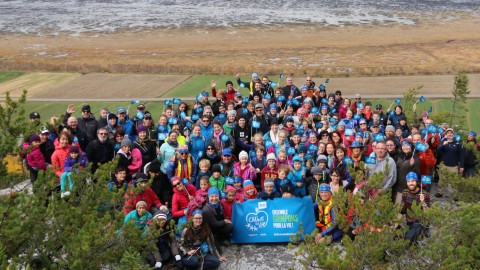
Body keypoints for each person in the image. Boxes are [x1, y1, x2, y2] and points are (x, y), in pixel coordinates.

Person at [400, 172, 430, 245]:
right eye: (409, 181)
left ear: (417, 182)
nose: (411, 183)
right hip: (409, 220)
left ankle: (422, 233)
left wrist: (423, 202)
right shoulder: (405, 192)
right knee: (398, 236)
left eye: (413, 181)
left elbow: (428, 214)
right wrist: (397, 220)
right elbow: (402, 209)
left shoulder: (424, 194)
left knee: (408, 239)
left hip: (420, 222)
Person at [435, 128, 465, 197]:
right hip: (444, 165)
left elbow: (461, 156)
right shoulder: (443, 141)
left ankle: (455, 195)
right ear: (446, 134)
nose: (449, 134)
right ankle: (440, 192)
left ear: (453, 134)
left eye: (451, 133)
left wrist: (462, 166)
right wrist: (443, 145)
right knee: (441, 180)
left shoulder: (458, 143)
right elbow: (438, 150)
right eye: (448, 133)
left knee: (454, 181)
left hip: (454, 166)